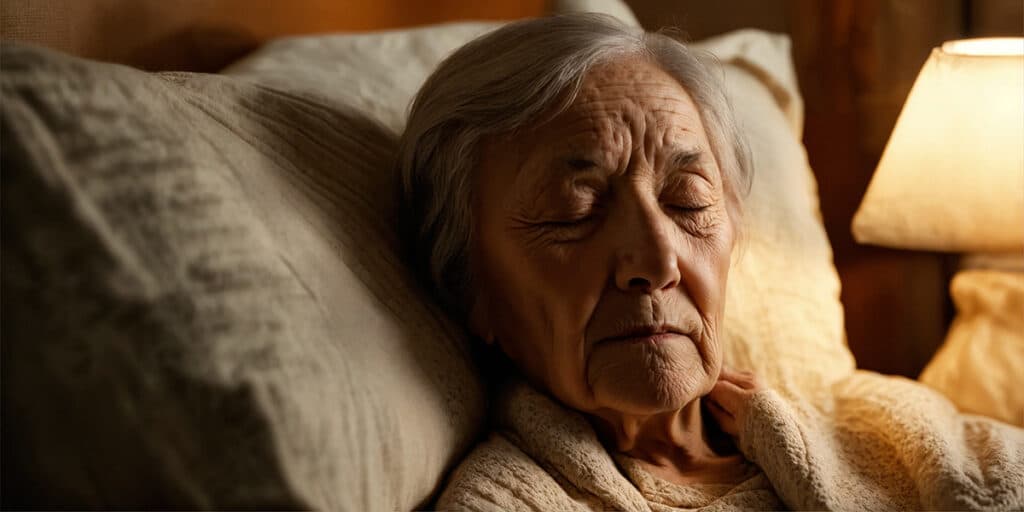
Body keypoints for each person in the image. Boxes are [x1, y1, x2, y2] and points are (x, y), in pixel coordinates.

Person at [398, 13, 1024, 511]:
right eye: (574, 211)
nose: (657, 259)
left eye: (688, 199)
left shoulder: (895, 436)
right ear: (470, 285)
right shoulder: (505, 503)